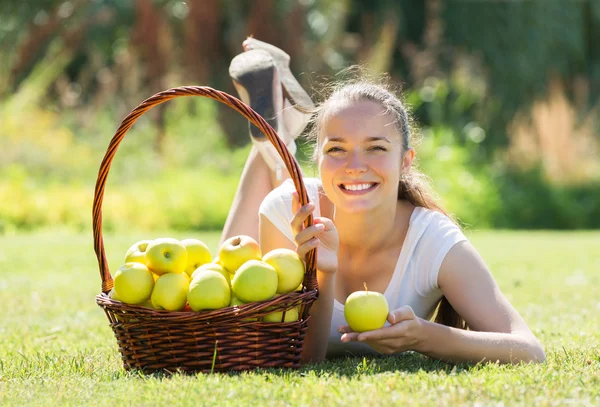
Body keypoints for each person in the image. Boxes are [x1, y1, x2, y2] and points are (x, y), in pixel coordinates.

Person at [222, 38, 546, 365]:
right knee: (225, 292)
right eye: (336, 149)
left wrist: (426, 336)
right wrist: (324, 272)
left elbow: (529, 350)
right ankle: (271, 143)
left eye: (376, 148)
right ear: (317, 158)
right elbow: (300, 357)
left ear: (405, 161)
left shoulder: (433, 241)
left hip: (322, 198)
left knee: (306, 189)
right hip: (294, 202)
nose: (355, 165)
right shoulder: (284, 212)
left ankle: (276, 137)